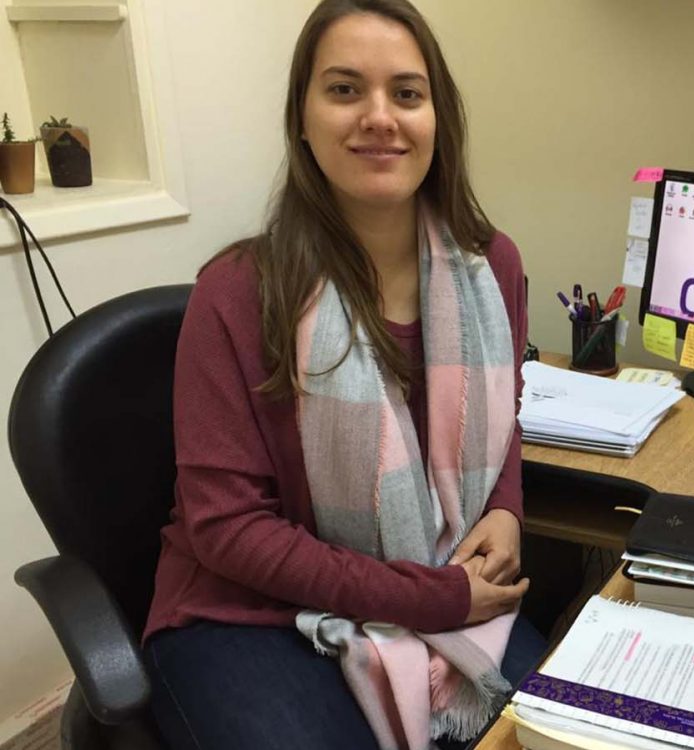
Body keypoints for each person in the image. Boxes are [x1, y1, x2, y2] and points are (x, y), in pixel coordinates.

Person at [142, 1, 545, 748]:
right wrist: (430, 597)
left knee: (560, 730)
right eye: (344, 89)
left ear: (437, 119)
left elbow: (504, 413)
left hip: (437, 582)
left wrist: (508, 509)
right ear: (302, 117)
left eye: (406, 93)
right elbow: (228, 528)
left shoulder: (492, 267)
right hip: (249, 611)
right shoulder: (235, 292)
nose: (379, 117)